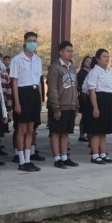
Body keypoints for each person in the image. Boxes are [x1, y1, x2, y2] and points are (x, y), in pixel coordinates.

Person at [9, 31, 43, 171]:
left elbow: (39, 81)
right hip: (23, 93)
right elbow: (14, 82)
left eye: (34, 40)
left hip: (34, 93)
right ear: (24, 42)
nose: (32, 43)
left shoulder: (38, 59)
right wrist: (17, 102)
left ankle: (28, 159)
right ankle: (21, 160)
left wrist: (40, 99)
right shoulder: (17, 60)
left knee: (31, 129)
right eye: (30, 40)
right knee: (22, 129)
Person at [46, 40, 79, 168]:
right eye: (68, 51)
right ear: (61, 52)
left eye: (72, 51)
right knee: (56, 132)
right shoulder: (55, 68)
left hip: (71, 105)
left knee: (65, 133)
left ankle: (64, 157)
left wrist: (76, 104)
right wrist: (56, 107)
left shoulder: (72, 67)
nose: (70, 53)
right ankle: (57, 158)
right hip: (60, 106)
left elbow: (75, 87)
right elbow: (53, 89)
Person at [82, 49, 112, 164]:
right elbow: (92, 90)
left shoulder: (109, 72)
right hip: (98, 100)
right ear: (97, 59)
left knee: (103, 131)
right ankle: (95, 155)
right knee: (96, 130)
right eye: (104, 56)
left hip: (109, 102)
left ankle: (103, 153)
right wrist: (95, 107)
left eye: (108, 56)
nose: (107, 58)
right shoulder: (94, 72)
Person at [76, 54, 93, 143]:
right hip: (84, 97)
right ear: (83, 62)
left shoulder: (93, 72)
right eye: (87, 61)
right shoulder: (81, 73)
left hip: (92, 96)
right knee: (85, 115)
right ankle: (82, 134)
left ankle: (88, 133)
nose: (89, 63)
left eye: (90, 62)